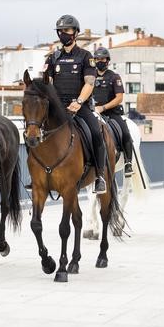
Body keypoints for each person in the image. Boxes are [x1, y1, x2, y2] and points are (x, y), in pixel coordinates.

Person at [43, 14, 107, 194]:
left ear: (75, 33)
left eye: (67, 31)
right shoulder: (52, 58)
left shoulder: (86, 57)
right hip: (58, 108)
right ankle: (38, 174)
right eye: (60, 31)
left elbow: (89, 83)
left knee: (95, 132)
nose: (63, 34)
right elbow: (46, 82)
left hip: (80, 107)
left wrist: (78, 102)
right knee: (36, 130)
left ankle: (99, 176)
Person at [92, 46, 134, 177]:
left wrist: (103, 108)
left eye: (102, 59)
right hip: (92, 112)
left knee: (125, 133)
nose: (100, 61)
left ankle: (128, 163)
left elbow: (119, 98)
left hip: (111, 113)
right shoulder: (89, 77)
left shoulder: (114, 77)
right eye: (97, 59)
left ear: (108, 60)